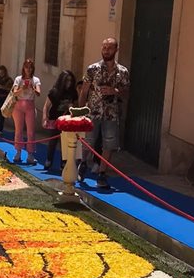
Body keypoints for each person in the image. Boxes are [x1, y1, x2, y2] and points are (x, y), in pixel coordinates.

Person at [78, 37, 130, 190]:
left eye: (109, 48)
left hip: (111, 114)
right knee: (88, 142)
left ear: (116, 50)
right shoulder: (92, 69)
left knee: (109, 144)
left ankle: (102, 173)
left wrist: (116, 91)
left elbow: (126, 93)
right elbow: (84, 91)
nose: (106, 51)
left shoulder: (122, 71)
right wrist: (80, 111)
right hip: (93, 112)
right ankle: (83, 164)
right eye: (104, 47)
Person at [42, 70, 79, 170]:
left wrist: (73, 108)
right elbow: (46, 106)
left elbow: (76, 106)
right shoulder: (54, 92)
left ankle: (63, 163)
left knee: (65, 143)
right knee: (52, 142)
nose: (69, 83)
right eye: (67, 80)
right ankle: (49, 160)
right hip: (55, 119)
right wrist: (44, 118)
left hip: (67, 121)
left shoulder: (73, 93)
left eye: (71, 81)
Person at [11, 58, 41, 164]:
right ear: (23, 68)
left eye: (30, 67)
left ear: (33, 69)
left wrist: (33, 88)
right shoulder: (18, 79)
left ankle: (30, 154)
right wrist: (22, 88)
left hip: (30, 105)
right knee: (18, 130)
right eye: (26, 67)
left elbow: (38, 93)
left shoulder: (36, 80)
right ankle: (18, 152)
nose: (28, 69)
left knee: (30, 131)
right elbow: (14, 92)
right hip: (18, 106)